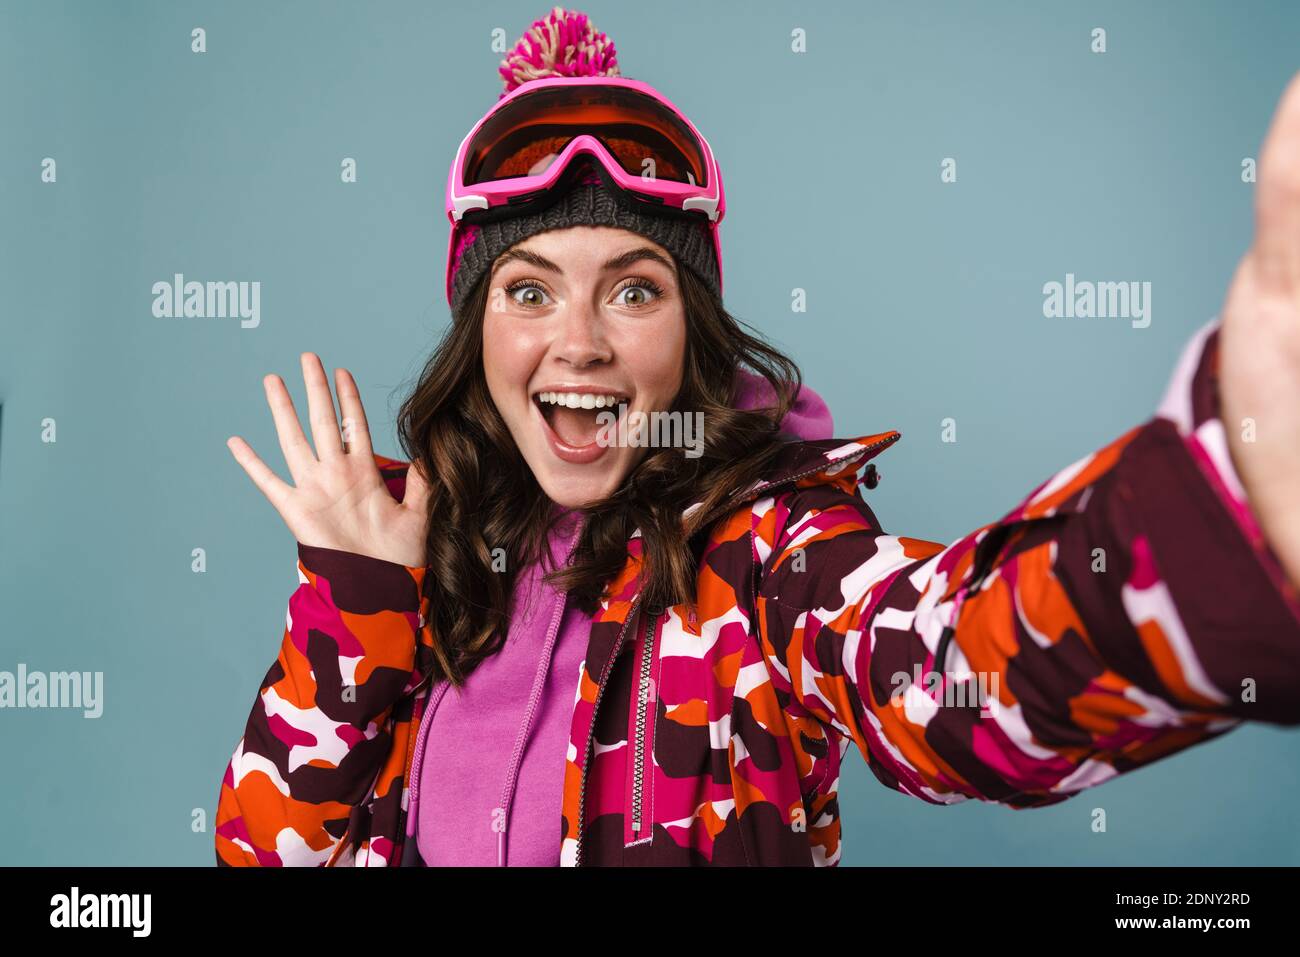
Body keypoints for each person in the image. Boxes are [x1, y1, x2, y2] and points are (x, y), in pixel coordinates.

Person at [214, 7, 1300, 867]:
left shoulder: (766, 550)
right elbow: (265, 852)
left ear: (692, 337)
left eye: (632, 292)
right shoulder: (427, 558)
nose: (578, 343)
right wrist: (359, 604)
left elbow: (946, 677)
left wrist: (1232, 499)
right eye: (528, 291)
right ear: (477, 331)